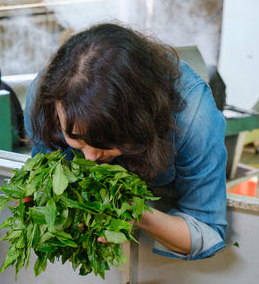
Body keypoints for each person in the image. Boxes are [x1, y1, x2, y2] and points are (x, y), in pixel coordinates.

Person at [23, 22, 228, 260]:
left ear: (140, 121)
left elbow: (207, 230)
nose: (90, 157)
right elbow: (47, 176)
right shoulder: (47, 96)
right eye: (76, 139)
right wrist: (41, 203)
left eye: (105, 142)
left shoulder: (193, 116)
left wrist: (136, 213)